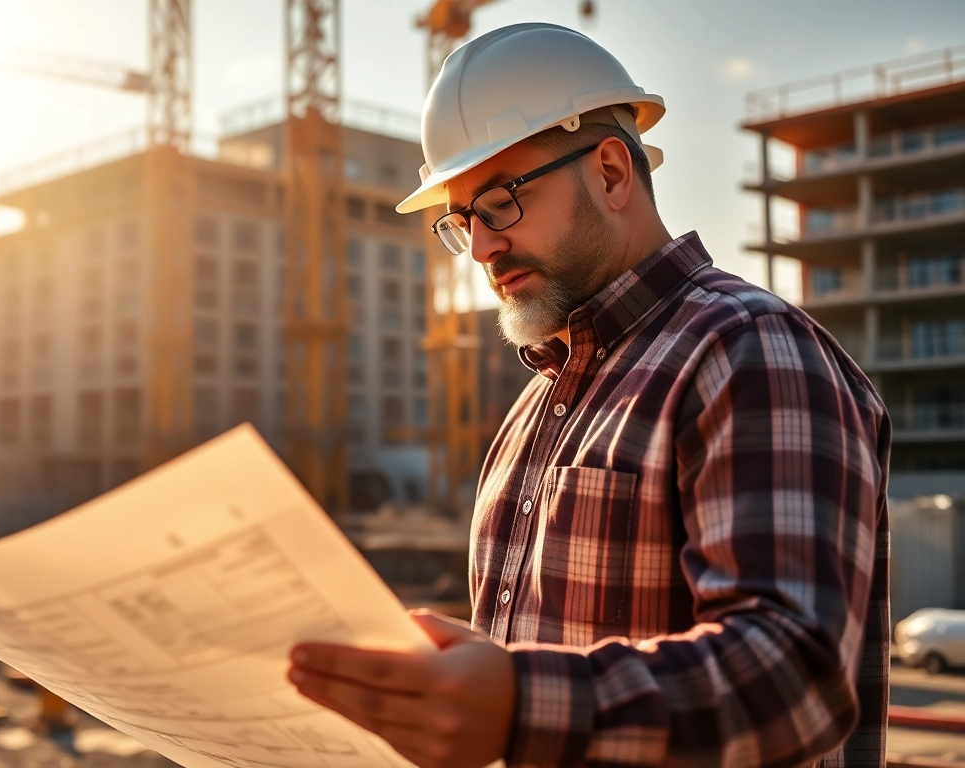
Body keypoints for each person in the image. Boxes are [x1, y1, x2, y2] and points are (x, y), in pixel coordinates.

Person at [287, 23, 889, 768]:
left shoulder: (748, 349)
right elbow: (547, 660)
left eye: (501, 202)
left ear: (610, 172)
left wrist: (517, 704)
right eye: (461, 220)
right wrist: (452, 686)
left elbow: (792, 675)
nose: (480, 247)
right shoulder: (533, 408)